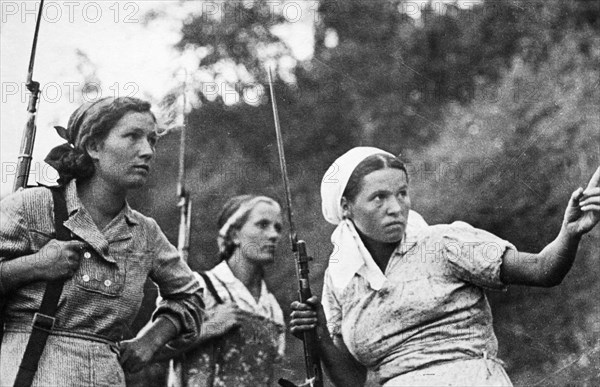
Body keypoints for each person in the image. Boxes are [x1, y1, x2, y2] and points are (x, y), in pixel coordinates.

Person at [289, 147, 600, 386]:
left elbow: (543, 270)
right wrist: (317, 333)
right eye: (378, 198)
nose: (396, 208)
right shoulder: (341, 279)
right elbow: (352, 381)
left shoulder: (444, 242)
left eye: (402, 193)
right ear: (346, 207)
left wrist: (569, 233)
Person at [0, 97, 203, 386]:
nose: (147, 151)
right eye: (132, 136)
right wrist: (34, 265)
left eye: (152, 140)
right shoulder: (32, 208)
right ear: (94, 146)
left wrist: (150, 340)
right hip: (27, 373)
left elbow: (190, 296)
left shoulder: (145, 233)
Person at [157, 195, 286, 387]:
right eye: (262, 225)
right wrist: (210, 327)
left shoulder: (272, 308)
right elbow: (152, 348)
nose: (273, 235)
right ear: (234, 235)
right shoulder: (199, 287)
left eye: (277, 228)